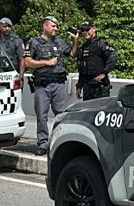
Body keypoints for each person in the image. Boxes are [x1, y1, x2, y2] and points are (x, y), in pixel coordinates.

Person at [22, 15, 72, 155]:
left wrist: (75, 40)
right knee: (41, 115)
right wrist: (46, 63)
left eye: (57, 26)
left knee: (61, 114)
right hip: (42, 85)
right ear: (45, 26)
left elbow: (73, 53)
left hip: (59, 83)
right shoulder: (33, 42)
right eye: (53, 26)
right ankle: (43, 143)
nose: (56, 28)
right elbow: (27, 62)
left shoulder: (60, 41)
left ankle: (60, 141)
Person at [73, 21, 119, 101]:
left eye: (87, 30)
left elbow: (113, 56)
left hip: (100, 86)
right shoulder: (84, 47)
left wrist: (104, 73)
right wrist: (79, 86)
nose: (85, 32)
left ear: (94, 29)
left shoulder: (101, 43)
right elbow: (82, 68)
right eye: (83, 30)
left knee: (100, 111)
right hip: (87, 87)